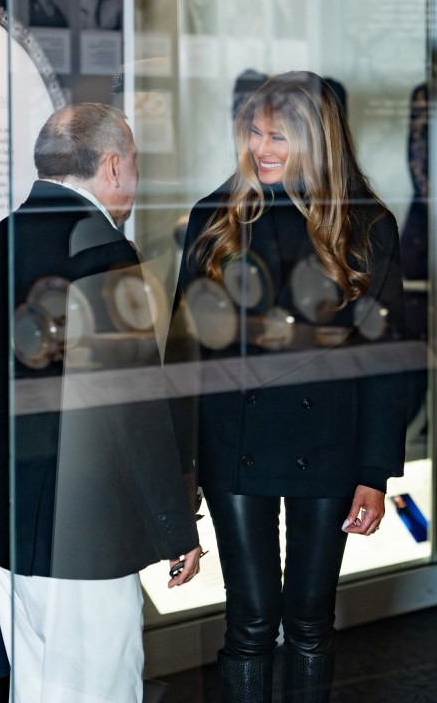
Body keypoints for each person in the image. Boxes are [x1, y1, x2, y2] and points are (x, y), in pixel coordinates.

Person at [0, 103, 204, 702]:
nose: (135, 176)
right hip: (84, 522)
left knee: (36, 686)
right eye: (134, 162)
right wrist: (176, 527)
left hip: (4, 510)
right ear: (111, 166)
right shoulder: (103, 252)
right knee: (103, 688)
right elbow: (133, 411)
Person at [168, 71, 409, 701]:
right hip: (232, 444)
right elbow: (184, 353)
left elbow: (385, 360)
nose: (262, 148)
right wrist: (181, 471)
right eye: (254, 132)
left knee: (309, 621)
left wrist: (375, 472)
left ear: (317, 140)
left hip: (327, 445)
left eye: (278, 136)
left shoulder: (366, 225)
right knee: (249, 622)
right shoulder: (215, 217)